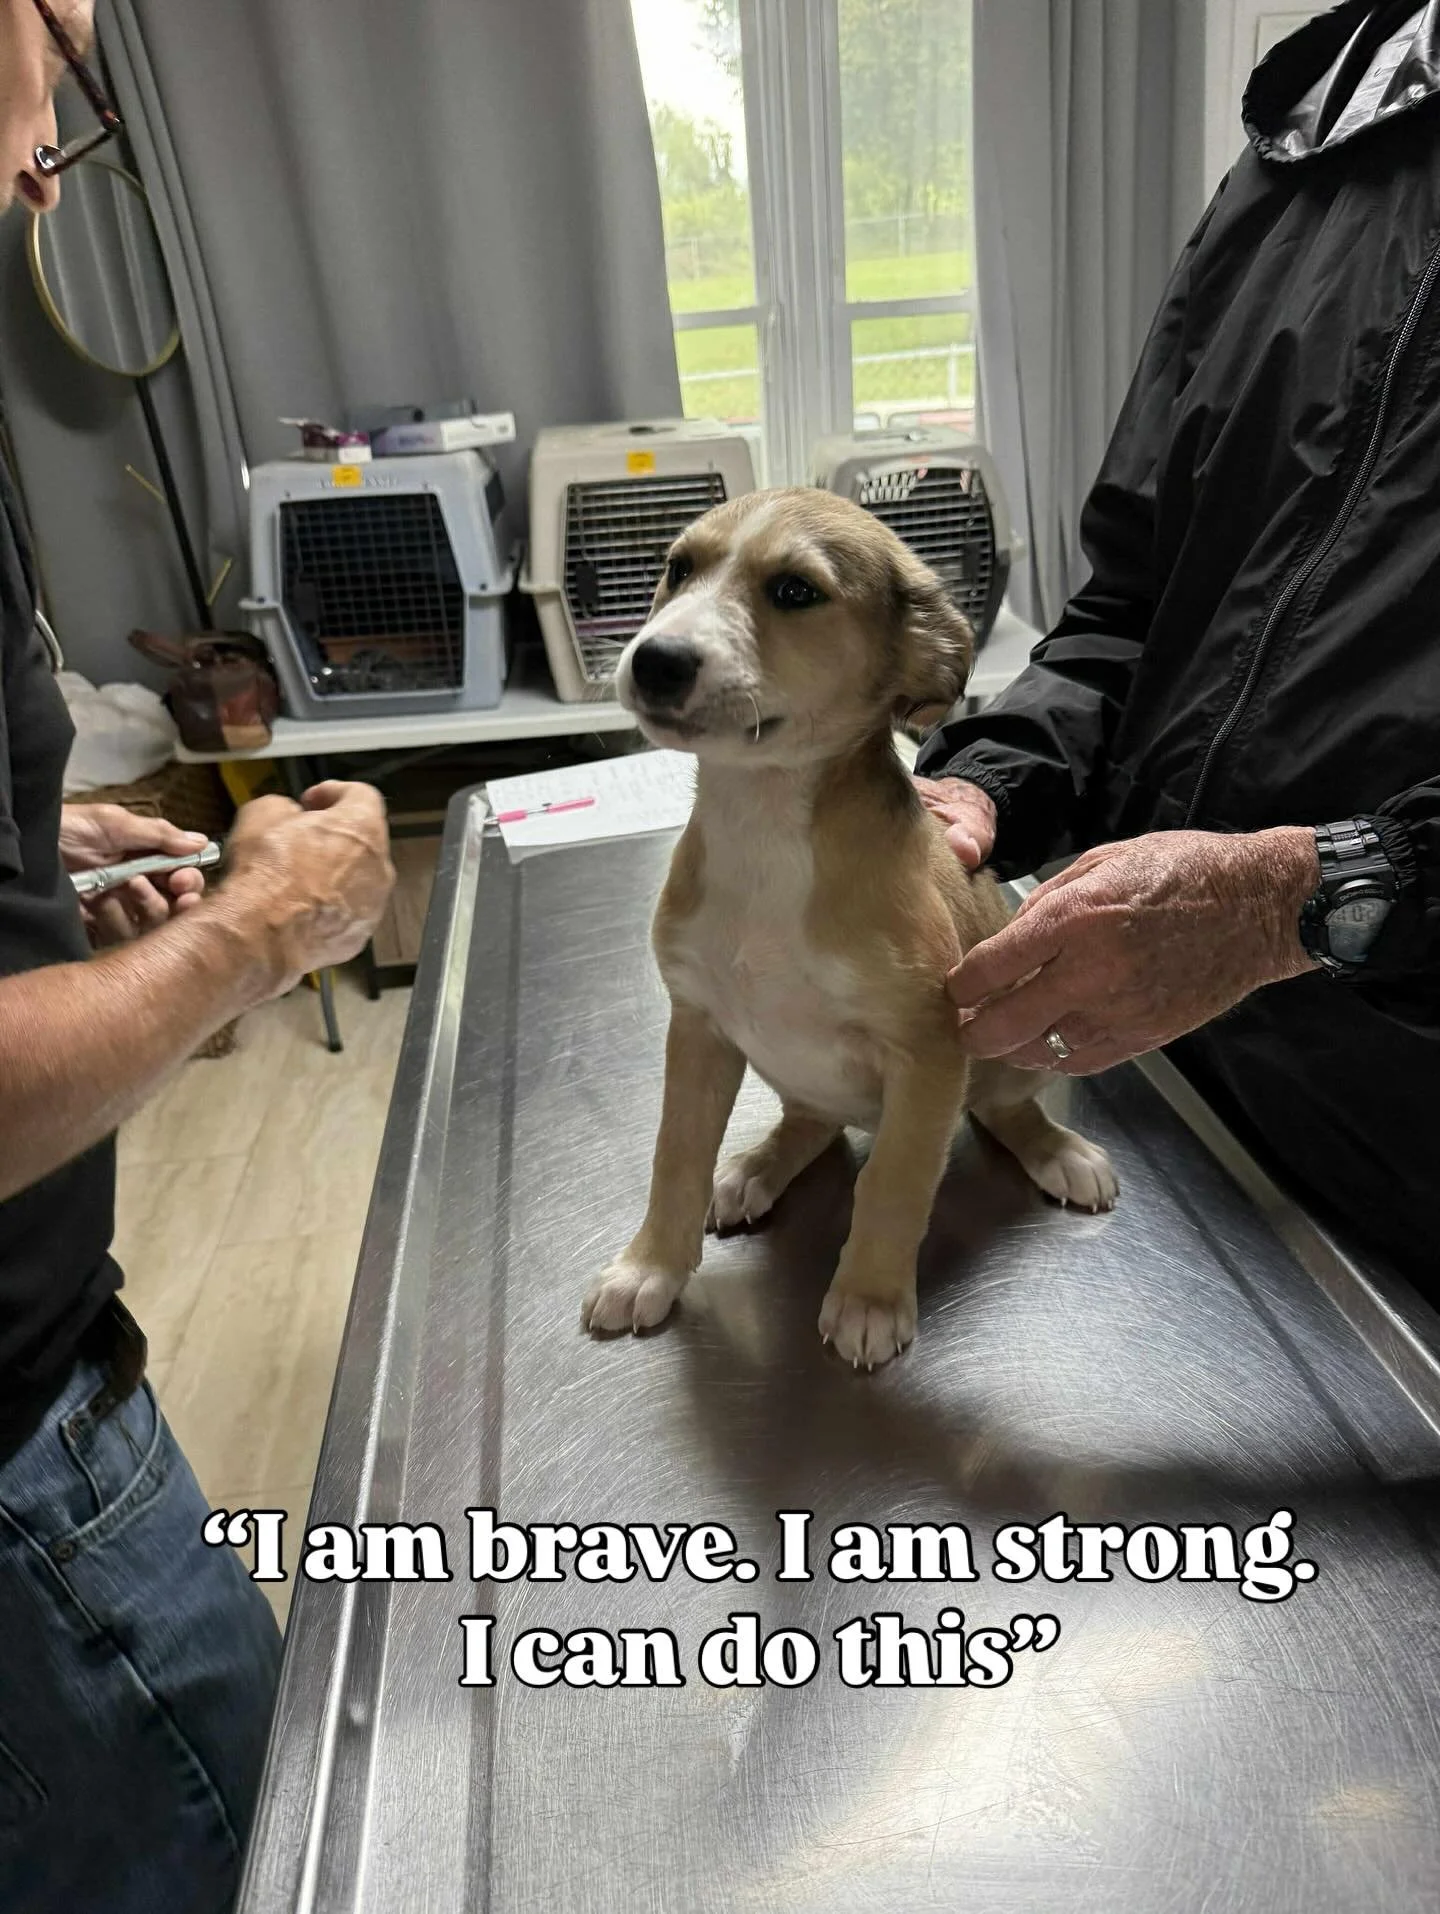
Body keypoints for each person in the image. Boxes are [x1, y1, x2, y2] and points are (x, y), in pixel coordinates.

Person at [0, 1, 396, 1907]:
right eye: (56, 67)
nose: (43, 170)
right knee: (255, 1840)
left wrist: (21, 849)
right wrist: (262, 929)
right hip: (22, 1483)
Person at [915, 0, 1440, 1289]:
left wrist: (1299, 898)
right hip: (1186, 1089)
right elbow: (1133, 605)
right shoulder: (1312, 132)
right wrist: (992, 777)